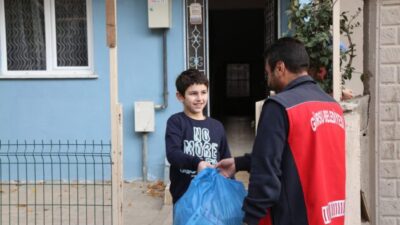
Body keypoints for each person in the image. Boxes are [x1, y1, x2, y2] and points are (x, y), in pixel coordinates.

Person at [217, 37, 346, 225]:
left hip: (295, 216)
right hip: (331, 216)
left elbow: (266, 173)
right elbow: (297, 156)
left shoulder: (280, 106)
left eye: (267, 72)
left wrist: (251, 218)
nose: (268, 79)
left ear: (280, 67)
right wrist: (240, 162)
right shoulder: (332, 106)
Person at [165, 68, 232, 204]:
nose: (200, 98)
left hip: (213, 198)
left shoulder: (217, 126)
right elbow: (172, 153)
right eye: (193, 93)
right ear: (180, 96)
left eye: (203, 92)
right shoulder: (176, 122)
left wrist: (230, 189)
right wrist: (197, 163)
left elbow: (226, 160)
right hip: (185, 198)